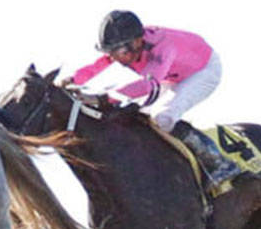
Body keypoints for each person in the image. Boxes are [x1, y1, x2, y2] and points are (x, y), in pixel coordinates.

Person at [64, 10, 239, 185]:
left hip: (203, 71)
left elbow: (146, 86)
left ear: (137, 41)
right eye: (111, 52)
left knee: (163, 117)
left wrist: (104, 99)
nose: (115, 58)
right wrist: (72, 79)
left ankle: (218, 162)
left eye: (119, 51)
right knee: (140, 115)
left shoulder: (164, 48)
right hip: (172, 75)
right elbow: (98, 67)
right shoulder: (128, 45)